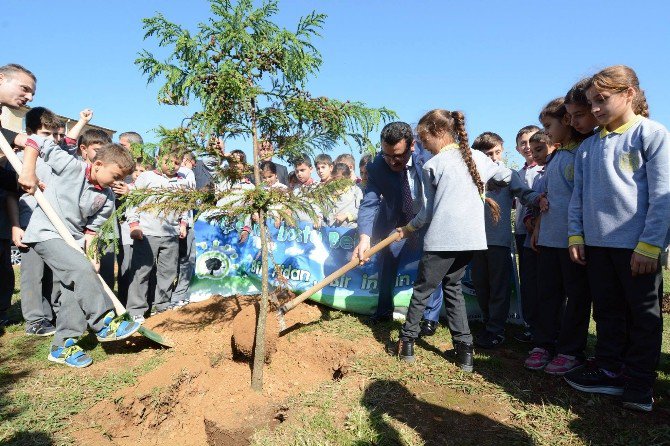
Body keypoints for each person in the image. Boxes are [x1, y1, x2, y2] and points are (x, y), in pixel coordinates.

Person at [564, 65, 668, 413]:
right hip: (597, 247)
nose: (595, 109)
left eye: (602, 100)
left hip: (638, 249)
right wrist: (576, 235)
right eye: (591, 102)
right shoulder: (587, 147)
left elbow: (663, 194)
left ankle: (639, 384)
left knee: (642, 316)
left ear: (629, 94)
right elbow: (578, 197)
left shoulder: (651, 134)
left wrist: (650, 246)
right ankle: (609, 369)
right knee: (607, 311)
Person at [394, 110, 512, 371]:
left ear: (437, 132)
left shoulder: (433, 165)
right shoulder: (478, 158)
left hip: (442, 239)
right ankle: (465, 349)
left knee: (423, 290)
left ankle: (407, 341)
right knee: (453, 288)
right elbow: (505, 177)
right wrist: (485, 187)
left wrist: (409, 227)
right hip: (470, 239)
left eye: (423, 138)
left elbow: (427, 212)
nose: (423, 144)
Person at [18, 135, 139, 367]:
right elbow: (36, 141)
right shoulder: (71, 166)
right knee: (80, 270)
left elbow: (92, 232)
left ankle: (63, 345)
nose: (117, 181)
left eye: (122, 178)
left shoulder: (107, 197)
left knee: (73, 288)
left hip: (73, 241)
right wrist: (28, 170)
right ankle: (104, 323)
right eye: (116, 176)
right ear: (98, 164)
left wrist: (92, 258)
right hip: (45, 232)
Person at [524, 96, 592, 376]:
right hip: (550, 239)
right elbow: (548, 198)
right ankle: (543, 344)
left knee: (576, 297)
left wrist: (579, 236)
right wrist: (538, 227)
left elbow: (583, 199)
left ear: (566, 121)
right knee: (547, 295)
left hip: (573, 243)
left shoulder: (584, 153)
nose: (547, 132)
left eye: (548, 125)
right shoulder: (555, 159)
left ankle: (570, 350)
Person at [470, 132, 546, 349]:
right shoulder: (472, 176)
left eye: (497, 152)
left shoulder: (508, 174)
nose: (493, 158)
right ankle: (487, 322)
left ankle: (496, 330)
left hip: (498, 241)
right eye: (488, 154)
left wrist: (537, 199)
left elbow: (524, 193)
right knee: (480, 286)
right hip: (474, 240)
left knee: (498, 288)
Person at [355, 122, 427, 323]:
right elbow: (369, 204)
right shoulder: (377, 167)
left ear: (412, 146)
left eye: (398, 156)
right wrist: (364, 238)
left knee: (430, 264)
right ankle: (384, 310)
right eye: (387, 155)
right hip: (397, 221)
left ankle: (429, 318)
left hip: (427, 218)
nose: (393, 162)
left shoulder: (428, 155)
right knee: (388, 260)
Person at [126, 149, 188, 322]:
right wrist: (134, 225)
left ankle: (161, 308)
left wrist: (183, 223)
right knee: (141, 272)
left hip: (171, 235)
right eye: (169, 161)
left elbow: (185, 205)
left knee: (167, 272)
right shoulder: (146, 177)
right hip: (146, 234)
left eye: (177, 162)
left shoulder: (182, 181)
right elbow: (134, 202)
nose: (173, 166)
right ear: (158, 158)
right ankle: (136, 310)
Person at [512, 125, 542, 343]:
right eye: (523, 142)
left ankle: (549, 325)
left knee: (545, 282)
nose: (527, 146)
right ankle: (531, 325)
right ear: (517, 148)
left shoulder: (545, 169)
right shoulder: (518, 173)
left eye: (531, 141)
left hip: (542, 232)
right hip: (522, 234)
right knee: (529, 281)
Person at [324, 163, 362, 228]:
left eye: (338, 178)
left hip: (349, 232)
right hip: (330, 232)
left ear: (347, 177)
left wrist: (347, 215)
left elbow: (361, 211)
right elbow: (323, 211)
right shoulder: (328, 192)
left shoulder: (355, 191)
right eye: (334, 178)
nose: (336, 181)